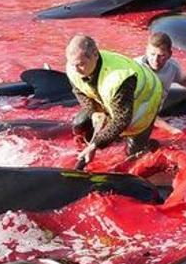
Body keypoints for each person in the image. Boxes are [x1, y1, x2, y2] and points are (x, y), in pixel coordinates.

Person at [65, 35, 165, 169]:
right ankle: (105, 139)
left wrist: (96, 144)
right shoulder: (74, 68)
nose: (76, 70)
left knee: (133, 158)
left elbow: (122, 119)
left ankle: (147, 145)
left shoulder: (119, 78)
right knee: (81, 122)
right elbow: (79, 91)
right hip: (109, 98)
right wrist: (93, 112)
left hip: (146, 97)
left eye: (81, 64)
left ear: (95, 54)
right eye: (73, 65)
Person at [137, 33, 186, 104]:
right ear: (146, 51)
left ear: (169, 54)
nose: (155, 60)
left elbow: (185, 80)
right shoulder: (136, 67)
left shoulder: (172, 68)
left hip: (154, 111)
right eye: (152, 54)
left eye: (161, 55)